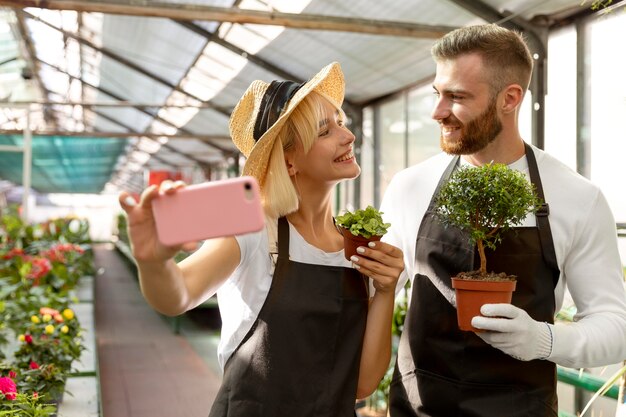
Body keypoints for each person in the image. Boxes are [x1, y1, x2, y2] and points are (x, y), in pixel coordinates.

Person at [118, 62, 405, 417]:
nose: (348, 137)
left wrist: (385, 291)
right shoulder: (254, 230)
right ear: (289, 161)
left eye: (341, 123)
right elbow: (179, 294)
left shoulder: (355, 247)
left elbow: (360, 383)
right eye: (324, 130)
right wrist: (154, 261)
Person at [380, 24, 626, 417]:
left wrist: (543, 340)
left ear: (510, 98)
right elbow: (373, 290)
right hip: (417, 407)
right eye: (437, 93)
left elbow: (616, 327)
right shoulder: (411, 186)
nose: (437, 111)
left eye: (456, 96)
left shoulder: (576, 198)